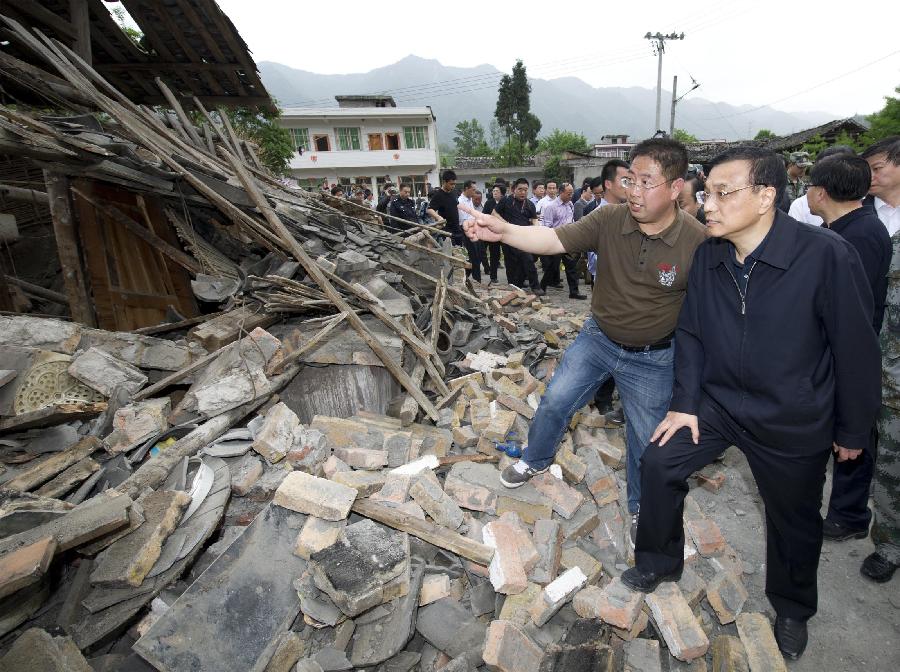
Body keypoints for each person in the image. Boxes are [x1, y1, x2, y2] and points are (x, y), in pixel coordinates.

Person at [621, 146, 881, 661]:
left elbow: (856, 347)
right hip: (718, 403)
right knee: (659, 461)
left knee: (793, 518)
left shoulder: (824, 255)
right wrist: (685, 403)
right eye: (706, 193)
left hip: (791, 412)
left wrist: (854, 429)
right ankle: (659, 559)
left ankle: (791, 608)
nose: (708, 205)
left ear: (765, 196)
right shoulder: (711, 254)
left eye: (723, 193)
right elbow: (691, 334)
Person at [461, 138, 707, 535]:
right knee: (556, 398)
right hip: (598, 339)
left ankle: (641, 506)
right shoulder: (609, 219)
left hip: (654, 356)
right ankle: (536, 458)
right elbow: (554, 240)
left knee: (646, 438)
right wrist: (504, 231)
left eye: (647, 182)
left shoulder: (697, 242)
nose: (635, 192)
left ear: (676, 188)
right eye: (631, 181)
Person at [805, 153, 891, 546]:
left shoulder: (855, 237)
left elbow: (851, 310)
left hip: (847, 353)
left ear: (820, 192)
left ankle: (850, 514)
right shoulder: (851, 228)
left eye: (809, 186)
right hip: (836, 349)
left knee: (851, 436)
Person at [862, 135, 900, 583]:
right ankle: (889, 544)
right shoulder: (871, 217)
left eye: (877, 167)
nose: (870, 176)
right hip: (882, 370)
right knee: (888, 463)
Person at [491, 178, 543, 295]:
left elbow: (534, 220)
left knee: (528, 259)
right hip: (508, 237)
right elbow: (494, 213)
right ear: (514, 189)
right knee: (511, 264)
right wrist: (506, 223)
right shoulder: (506, 201)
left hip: (524, 238)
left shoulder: (530, 204)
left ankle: (535, 286)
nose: (523, 192)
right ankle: (514, 288)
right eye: (520, 189)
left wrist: (536, 229)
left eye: (525, 190)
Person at [788, 146, 857, 226]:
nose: (803, 169)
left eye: (805, 167)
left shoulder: (863, 201)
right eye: (800, 166)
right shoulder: (800, 205)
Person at [539, 183, 586, 299]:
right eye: (569, 193)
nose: (571, 196)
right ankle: (541, 288)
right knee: (552, 266)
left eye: (572, 193)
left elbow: (572, 220)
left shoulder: (570, 204)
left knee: (571, 266)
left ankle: (574, 292)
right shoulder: (551, 207)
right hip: (556, 239)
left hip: (569, 239)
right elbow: (548, 225)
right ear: (561, 192)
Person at [457, 180, 483, 284]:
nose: (474, 192)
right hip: (466, 230)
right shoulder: (460, 201)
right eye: (473, 190)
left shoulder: (469, 200)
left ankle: (472, 278)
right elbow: (464, 219)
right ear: (466, 189)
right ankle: (476, 280)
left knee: (478, 255)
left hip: (473, 230)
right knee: (473, 256)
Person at [482, 184, 506, 283]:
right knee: (494, 255)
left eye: (497, 191)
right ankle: (493, 277)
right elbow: (484, 216)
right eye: (494, 191)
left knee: (508, 254)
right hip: (492, 232)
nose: (494, 193)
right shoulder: (489, 203)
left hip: (504, 232)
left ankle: (512, 276)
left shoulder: (506, 202)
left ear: (502, 193)